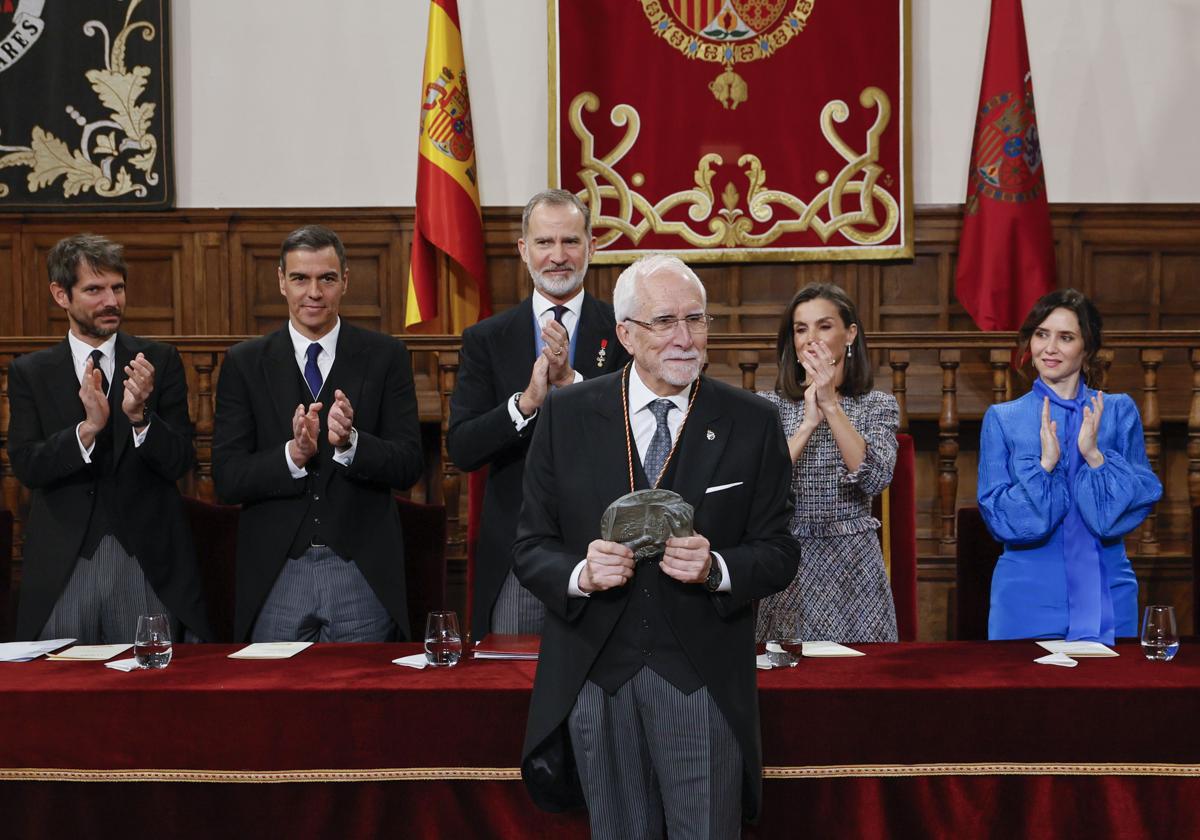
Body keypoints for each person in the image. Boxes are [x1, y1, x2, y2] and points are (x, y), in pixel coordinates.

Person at [513, 254, 800, 838]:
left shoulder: (751, 420)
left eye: (697, 320)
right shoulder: (568, 415)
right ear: (626, 333)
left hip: (702, 680)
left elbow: (778, 550)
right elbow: (530, 547)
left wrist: (718, 567)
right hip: (596, 677)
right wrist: (580, 574)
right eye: (665, 321)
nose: (686, 338)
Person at [212, 225, 424, 642]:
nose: (314, 292)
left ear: (345, 281)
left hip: (361, 571)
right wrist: (292, 455)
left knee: (362, 701)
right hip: (276, 572)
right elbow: (227, 478)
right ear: (280, 282)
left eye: (326, 278)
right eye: (300, 279)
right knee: (274, 702)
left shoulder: (386, 356)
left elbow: (409, 465)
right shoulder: (244, 363)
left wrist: (351, 444)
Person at [7, 234, 212, 643]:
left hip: (147, 563)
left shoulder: (159, 360)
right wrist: (86, 430)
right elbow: (28, 465)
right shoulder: (31, 372)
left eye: (117, 287)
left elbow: (179, 463)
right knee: (62, 697)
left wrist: (140, 420)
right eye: (94, 289)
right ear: (60, 295)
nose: (111, 301)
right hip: (65, 566)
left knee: (152, 696)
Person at [448, 189, 629, 638]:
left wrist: (573, 387)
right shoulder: (486, 339)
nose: (558, 256)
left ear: (592, 246)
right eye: (545, 243)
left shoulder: (626, 330)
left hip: (608, 549)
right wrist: (525, 403)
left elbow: (641, 434)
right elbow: (464, 447)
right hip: (519, 552)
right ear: (523, 251)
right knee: (513, 691)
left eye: (570, 242)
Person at [978, 289, 1161, 644]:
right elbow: (999, 518)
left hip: (1111, 589)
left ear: (1088, 348)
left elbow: (1123, 513)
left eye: (1066, 337)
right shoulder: (1003, 418)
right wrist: (1045, 466)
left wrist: (1095, 457)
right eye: (1041, 334)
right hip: (1025, 597)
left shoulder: (1119, 411)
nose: (1050, 348)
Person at [755, 284, 900, 643]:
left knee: (860, 685)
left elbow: (876, 479)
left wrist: (831, 406)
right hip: (789, 557)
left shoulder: (877, 405)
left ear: (849, 334)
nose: (810, 339)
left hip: (853, 561)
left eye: (823, 326)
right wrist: (807, 424)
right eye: (801, 329)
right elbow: (760, 487)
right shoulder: (766, 406)